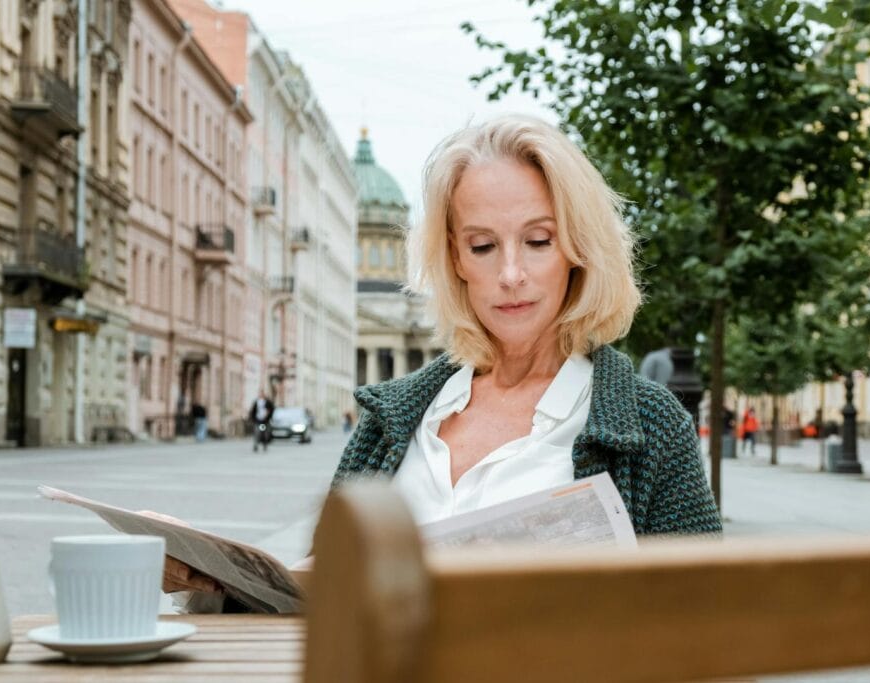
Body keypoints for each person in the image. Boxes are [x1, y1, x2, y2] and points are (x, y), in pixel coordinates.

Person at [160, 115, 721, 599]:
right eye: (482, 246)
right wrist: (219, 578)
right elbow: (319, 600)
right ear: (454, 259)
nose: (509, 275)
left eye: (538, 240)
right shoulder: (391, 421)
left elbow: (708, 622)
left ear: (578, 250)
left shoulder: (649, 427)